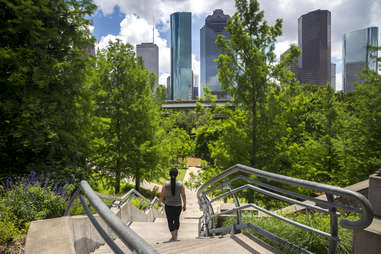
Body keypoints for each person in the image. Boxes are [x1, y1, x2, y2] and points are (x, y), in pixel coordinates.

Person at [158, 168, 186, 241]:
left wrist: (159, 202)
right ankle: (175, 235)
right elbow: (183, 195)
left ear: (169, 174)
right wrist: (185, 205)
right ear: (177, 175)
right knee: (176, 219)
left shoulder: (165, 184)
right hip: (178, 206)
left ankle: (173, 236)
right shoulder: (181, 184)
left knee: (170, 220)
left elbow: (162, 195)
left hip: (168, 206)